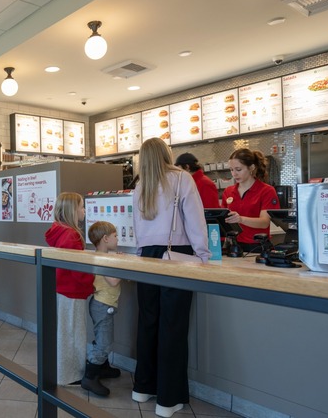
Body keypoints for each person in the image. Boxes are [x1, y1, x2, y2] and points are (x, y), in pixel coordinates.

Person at [131, 138, 211, 418]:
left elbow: (137, 227)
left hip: (146, 257)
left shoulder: (141, 185)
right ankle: (168, 399)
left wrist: (142, 253)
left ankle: (142, 388)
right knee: (172, 327)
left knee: (148, 322)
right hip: (176, 256)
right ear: (168, 154)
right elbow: (195, 221)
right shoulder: (181, 179)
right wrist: (203, 256)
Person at [44, 192, 91, 386]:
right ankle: (71, 375)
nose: (84, 211)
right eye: (81, 207)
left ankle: (63, 371)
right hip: (72, 291)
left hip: (60, 290)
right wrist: (94, 282)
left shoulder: (58, 231)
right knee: (73, 334)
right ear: (73, 210)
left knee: (64, 332)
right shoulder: (71, 235)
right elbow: (77, 269)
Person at [83, 221, 122, 397]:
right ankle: (90, 377)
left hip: (102, 303)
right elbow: (113, 280)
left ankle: (103, 368)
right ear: (106, 239)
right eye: (115, 236)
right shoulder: (102, 258)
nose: (118, 239)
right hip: (102, 305)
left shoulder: (102, 256)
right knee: (104, 342)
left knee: (102, 337)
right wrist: (122, 264)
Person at [221, 148, 280, 253]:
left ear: (251, 167)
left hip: (257, 247)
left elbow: (264, 223)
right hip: (234, 247)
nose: (234, 174)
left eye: (238, 169)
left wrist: (240, 219)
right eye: (231, 170)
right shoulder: (228, 191)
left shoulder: (266, 191)